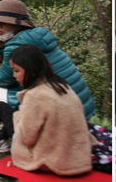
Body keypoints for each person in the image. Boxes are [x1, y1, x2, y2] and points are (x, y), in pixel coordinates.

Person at [0, 0, 96, 159]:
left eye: (3, 22)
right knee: (17, 102)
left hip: (46, 143)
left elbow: (3, 79)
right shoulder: (39, 39)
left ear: (19, 24)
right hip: (81, 117)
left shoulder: (17, 47)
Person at [7, 45, 96, 175]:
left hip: (50, 161)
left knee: (2, 109)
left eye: (16, 70)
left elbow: (26, 139)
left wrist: (17, 117)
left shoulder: (35, 96)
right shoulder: (62, 85)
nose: (14, 75)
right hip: (76, 157)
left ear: (31, 71)